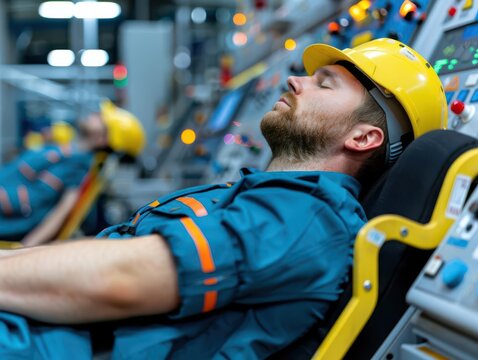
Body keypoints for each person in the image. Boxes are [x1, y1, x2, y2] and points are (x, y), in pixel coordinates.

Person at [0, 38, 447, 358]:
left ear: (364, 136)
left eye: (324, 84)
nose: (295, 81)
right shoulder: (263, 195)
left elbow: (120, 280)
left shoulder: (306, 219)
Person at [0, 100, 145, 246]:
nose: (94, 114)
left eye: (101, 118)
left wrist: (25, 250)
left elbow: (59, 215)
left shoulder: (78, 167)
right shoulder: (70, 153)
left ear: (103, 139)